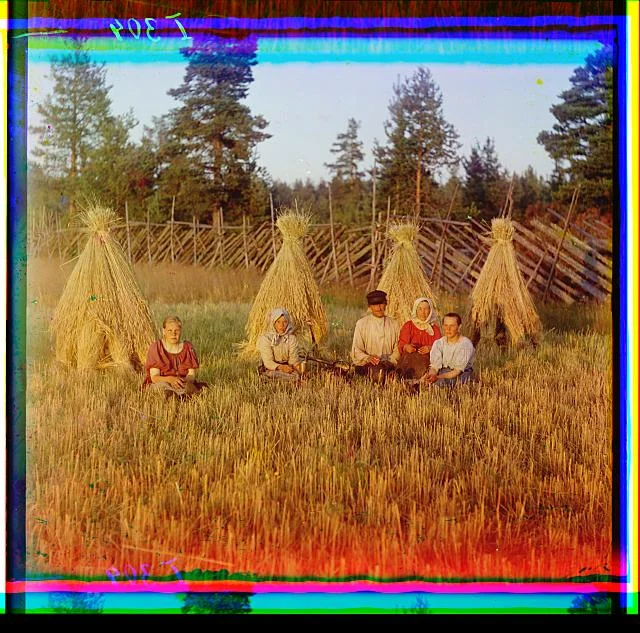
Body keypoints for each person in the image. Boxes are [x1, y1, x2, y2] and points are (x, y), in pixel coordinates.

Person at [143, 316, 207, 397]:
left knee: (190, 387)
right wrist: (170, 379)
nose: (173, 334)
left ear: (181, 331)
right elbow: (154, 378)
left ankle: (183, 394)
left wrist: (183, 381)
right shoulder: (156, 347)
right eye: (170, 330)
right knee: (162, 387)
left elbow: (191, 374)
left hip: (182, 383)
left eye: (176, 330)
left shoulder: (188, 347)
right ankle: (173, 396)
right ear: (164, 331)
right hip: (163, 383)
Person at [351, 289, 400, 382]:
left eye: (381, 304)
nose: (379, 308)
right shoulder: (362, 323)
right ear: (369, 306)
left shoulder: (394, 324)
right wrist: (368, 358)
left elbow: (398, 348)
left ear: (386, 304)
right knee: (378, 374)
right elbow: (356, 349)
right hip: (369, 364)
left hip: (389, 364)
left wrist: (390, 361)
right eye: (375, 305)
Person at [423, 312, 475, 387]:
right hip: (443, 372)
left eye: (452, 326)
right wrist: (431, 376)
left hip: (461, 373)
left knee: (443, 384)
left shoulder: (465, 344)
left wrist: (437, 377)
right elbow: (434, 367)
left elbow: (457, 371)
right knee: (428, 383)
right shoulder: (438, 343)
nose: (448, 329)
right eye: (446, 325)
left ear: (459, 327)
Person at [396, 297, 441, 380]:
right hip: (409, 360)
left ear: (430, 311)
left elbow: (440, 348)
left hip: (427, 362)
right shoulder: (408, 326)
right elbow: (401, 343)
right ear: (415, 310)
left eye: (426, 309)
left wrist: (430, 348)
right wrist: (406, 347)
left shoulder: (435, 329)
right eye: (420, 309)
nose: (423, 312)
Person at [257, 308, 305, 382]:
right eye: (278, 322)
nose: (281, 325)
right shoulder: (266, 338)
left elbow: (293, 360)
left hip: (287, 367)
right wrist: (281, 367)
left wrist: (296, 367)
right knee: (274, 374)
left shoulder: (291, 339)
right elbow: (268, 362)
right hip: (271, 367)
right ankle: (268, 377)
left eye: (285, 322)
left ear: (288, 323)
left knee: (298, 375)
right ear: (273, 322)